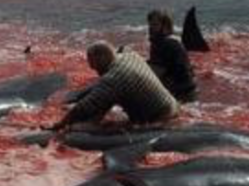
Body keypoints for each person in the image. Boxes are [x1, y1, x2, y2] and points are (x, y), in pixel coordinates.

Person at [50, 42, 178, 132]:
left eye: (94, 66)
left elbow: (85, 107)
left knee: (78, 128)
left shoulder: (113, 78)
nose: (95, 71)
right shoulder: (130, 56)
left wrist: (61, 124)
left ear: (102, 58)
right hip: (172, 106)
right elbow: (105, 99)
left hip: (159, 120)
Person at [146, 10, 197, 102]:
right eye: (150, 24)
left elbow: (157, 71)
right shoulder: (171, 39)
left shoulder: (165, 43)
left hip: (181, 93)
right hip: (187, 89)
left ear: (165, 26)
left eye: (155, 25)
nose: (151, 28)